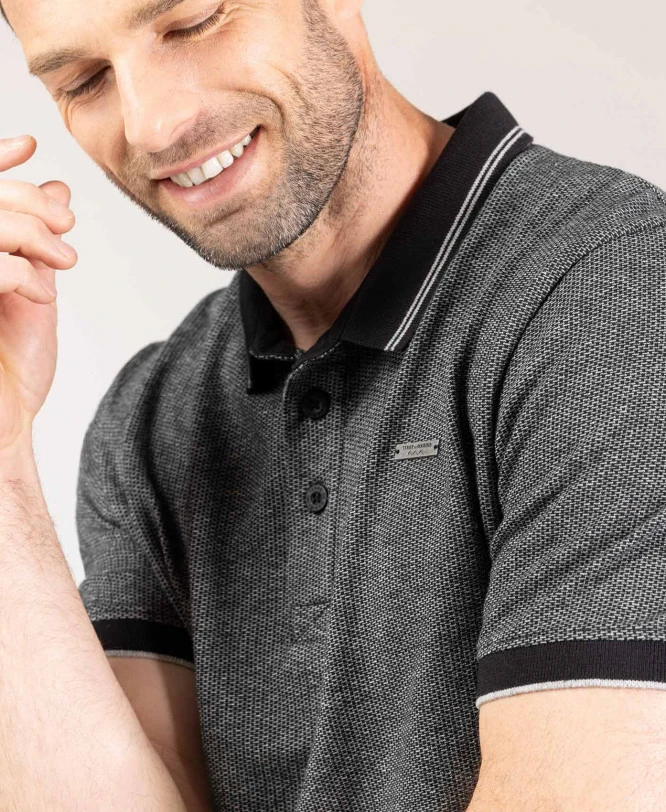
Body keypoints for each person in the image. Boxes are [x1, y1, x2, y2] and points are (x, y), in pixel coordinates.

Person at [1, 0, 666, 809]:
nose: (151, 125)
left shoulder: (620, 296)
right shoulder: (151, 417)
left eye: (194, 20)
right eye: (84, 80)